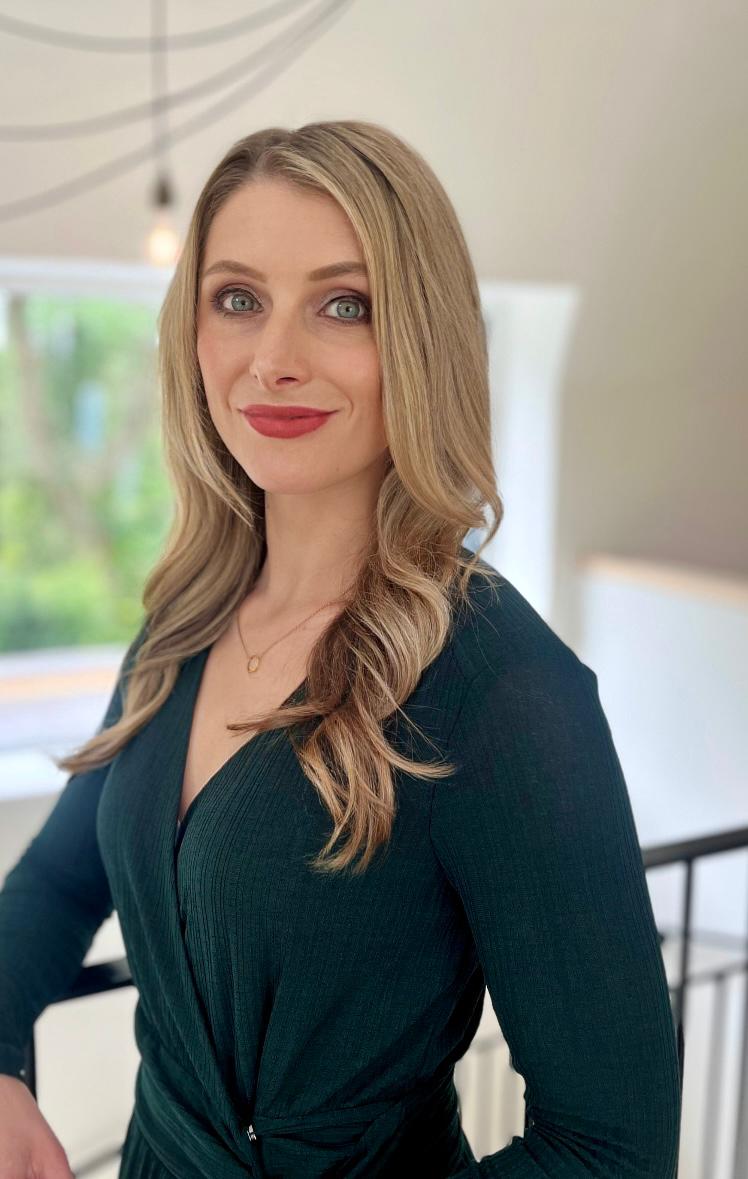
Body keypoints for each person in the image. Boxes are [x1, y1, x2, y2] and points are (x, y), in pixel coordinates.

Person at [0, 120, 681, 1178]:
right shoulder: (184, 620)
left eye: (344, 305)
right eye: (238, 299)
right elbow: (53, 884)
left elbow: (610, 1148)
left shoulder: (502, 688)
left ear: (420, 338)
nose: (273, 360)